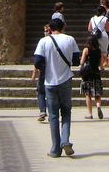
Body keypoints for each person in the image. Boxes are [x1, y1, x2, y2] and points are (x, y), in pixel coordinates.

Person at [34, 18, 80, 157]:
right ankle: (65, 140)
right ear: (63, 27)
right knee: (66, 111)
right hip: (65, 80)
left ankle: (55, 149)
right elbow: (77, 60)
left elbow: (37, 62)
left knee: (53, 115)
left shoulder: (44, 41)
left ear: (51, 28)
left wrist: (47, 69)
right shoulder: (70, 39)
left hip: (49, 82)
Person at [80, 35, 104, 120]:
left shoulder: (86, 50)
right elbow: (101, 65)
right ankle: (98, 106)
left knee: (88, 94)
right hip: (96, 73)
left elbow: (82, 61)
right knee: (97, 94)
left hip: (87, 75)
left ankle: (90, 114)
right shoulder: (99, 51)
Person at [31, 24, 50, 122]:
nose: (46, 33)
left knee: (42, 91)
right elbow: (37, 59)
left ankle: (45, 111)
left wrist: (36, 70)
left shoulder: (42, 42)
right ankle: (44, 111)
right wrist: (34, 72)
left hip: (45, 69)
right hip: (48, 70)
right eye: (45, 31)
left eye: (47, 31)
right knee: (43, 91)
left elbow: (37, 60)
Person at [88, 6, 109, 71]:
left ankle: (93, 65)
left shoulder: (92, 18)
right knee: (103, 51)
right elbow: (107, 29)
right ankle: (101, 66)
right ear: (103, 12)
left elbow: (89, 29)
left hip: (94, 36)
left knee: (94, 50)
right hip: (103, 35)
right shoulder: (105, 18)